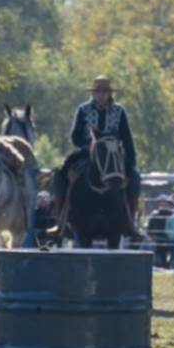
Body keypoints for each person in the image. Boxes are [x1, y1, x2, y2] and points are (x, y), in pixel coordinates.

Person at [61, 76, 142, 234]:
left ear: (110, 94)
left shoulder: (119, 111)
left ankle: (131, 222)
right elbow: (75, 136)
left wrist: (130, 163)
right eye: (98, 92)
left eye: (105, 92)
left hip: (113, 155)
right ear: (93, 93)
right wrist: (89, 145)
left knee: (135, 178)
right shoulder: (83, 110)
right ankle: (62, 220)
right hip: (88, 152)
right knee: (60, 174)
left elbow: (127, 138)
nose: (101, 95)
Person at [145, 195, 174, 268]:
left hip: (172, 240)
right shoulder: (155, 215)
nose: (164, 206)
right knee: (160, 254)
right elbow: (149, 230)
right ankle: (162, 263)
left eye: (167, 204)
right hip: (158, 240)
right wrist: (151, 238)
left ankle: (170, 263)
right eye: (163, 204)